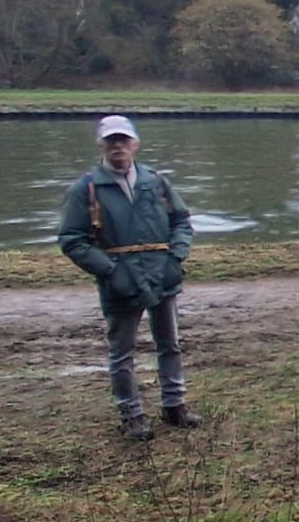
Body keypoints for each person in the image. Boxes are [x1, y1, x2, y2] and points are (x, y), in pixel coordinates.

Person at [58, 115, 201, 439]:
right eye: (111, 141)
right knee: (121, 351)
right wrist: (110, 270)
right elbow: (72, 240)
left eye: (123, 140)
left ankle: (175, 405)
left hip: (161, 274)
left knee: (170, 343)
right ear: (101, 145)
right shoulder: (85, 189)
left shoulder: (156, 182)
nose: (118, 146)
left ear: (135, 144)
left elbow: (181, 221)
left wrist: (175, 257)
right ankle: (131, 414)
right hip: (119, 281)